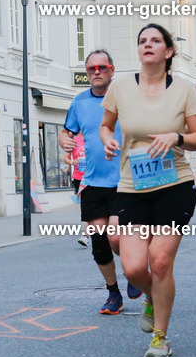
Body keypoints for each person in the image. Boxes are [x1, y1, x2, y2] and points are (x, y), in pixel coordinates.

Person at [100, 24, 196, 357]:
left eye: (155, 41)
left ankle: (160, 337)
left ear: (168, 51)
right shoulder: (119, 87)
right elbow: (106, 125)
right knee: (133, 268)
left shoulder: (185, 90)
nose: (148, 45)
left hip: (174, 184)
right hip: (133, 186)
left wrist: (176, 138)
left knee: (159, 261)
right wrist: (108, 141)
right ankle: (153, 296)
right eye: (142, 41)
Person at [59, 49, 142, 314]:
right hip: (92, 182)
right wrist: (63, 140)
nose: (96, 71)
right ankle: (113, 293)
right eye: (91, 68)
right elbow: (66, 131)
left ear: (112, 70)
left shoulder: (127, 98)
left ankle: (133, 271)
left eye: (102, 67)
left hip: (124, 181)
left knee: (116, 237)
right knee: (99, 243)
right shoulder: (79, 102)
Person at [68, 134, 89, 247]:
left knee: (95, 205)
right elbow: (66, 158)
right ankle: (86, 235)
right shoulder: (74, 141)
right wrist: (72, 162)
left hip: (93, 177)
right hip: (79, 178)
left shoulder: (94, 136)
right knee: (85, 206)